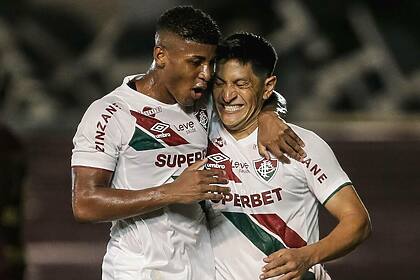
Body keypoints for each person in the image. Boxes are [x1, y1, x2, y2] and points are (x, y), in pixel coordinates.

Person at [71, 6, 305, 280]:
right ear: (161, 56)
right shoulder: (111, 113)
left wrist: (269, 114)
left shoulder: (205, 101)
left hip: (202, 266)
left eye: (211, 63)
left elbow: (261, 95)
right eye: (195, 62)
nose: (206, 74)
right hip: (140, 268)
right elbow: (85, 203)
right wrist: (171, 192)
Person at [206, 32, 372, 280]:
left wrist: (307, 256)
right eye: (220, 83)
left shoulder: (301, 144)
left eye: (241, 84)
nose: (227, 95)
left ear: (268, 87)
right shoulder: (197, 137)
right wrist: (268, 113)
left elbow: (357, 221)